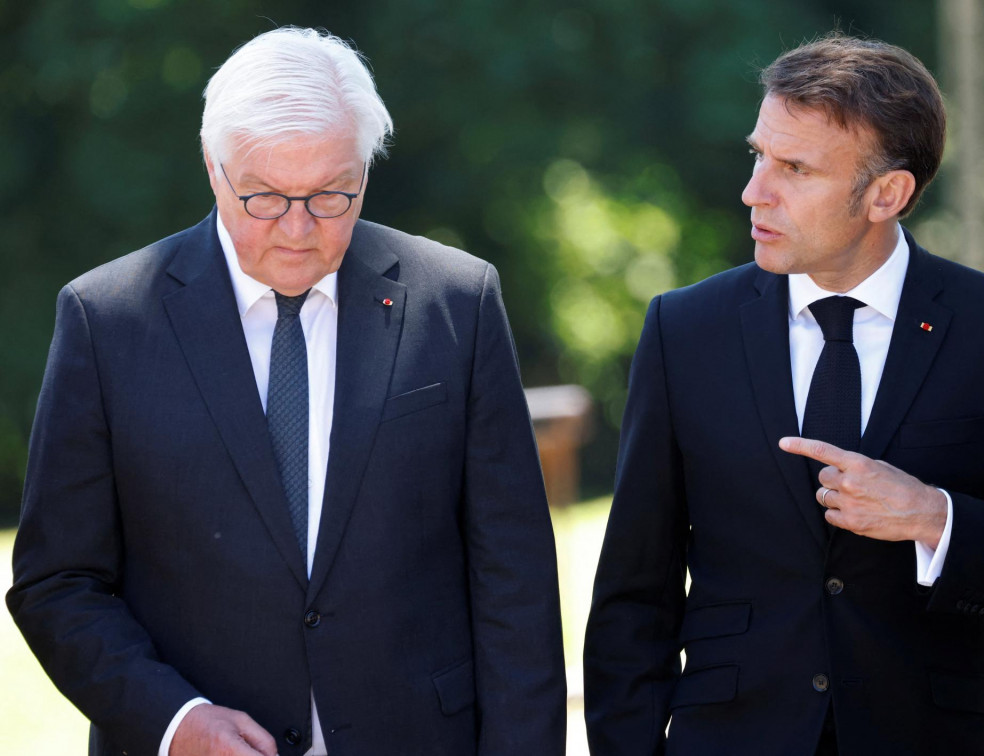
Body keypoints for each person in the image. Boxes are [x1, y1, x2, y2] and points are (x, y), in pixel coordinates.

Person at [7, 26, 566, 756]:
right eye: (266, 198)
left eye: (332, 195)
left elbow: (515, 583)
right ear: (214, 169)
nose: (299, 231)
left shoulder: (456, 300)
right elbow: (57, 583)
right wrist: (174, 722)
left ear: (364, 171)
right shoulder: (107, 319)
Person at [583, 32, 984, 756]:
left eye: (794, 168)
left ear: (888, 193)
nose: (755, 190)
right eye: (758, 154)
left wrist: (935, 518)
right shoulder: (684, 329)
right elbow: (635, 593)